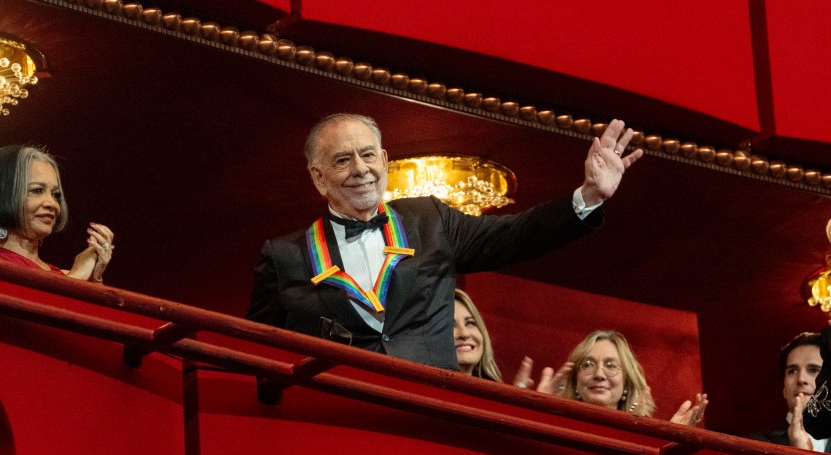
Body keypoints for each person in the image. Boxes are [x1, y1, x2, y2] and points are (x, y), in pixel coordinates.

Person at [247, 113, 643, 369]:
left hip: (432, 415)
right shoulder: (285, 257)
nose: (361, 169)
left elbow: (515, 235)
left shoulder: (429, 219)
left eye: (368, 155)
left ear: (385, 161)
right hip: (338, 420)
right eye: (342, 160)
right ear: (318, 177)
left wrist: (588, 195)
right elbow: (256, 355)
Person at [0, 145, 114, 281]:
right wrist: (75, 280)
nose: (51, 204)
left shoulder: (66, 274)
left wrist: (95, 278)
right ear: (4, 194)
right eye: (37, 190)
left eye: (55, 194)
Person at [518, 330, 707, 425]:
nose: (599, 375)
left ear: (626, 384)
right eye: (588, 365)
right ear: (575, 381)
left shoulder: (646, 440)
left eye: (611, 366)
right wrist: (537, 412)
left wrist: (668, 442)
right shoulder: (554, 427)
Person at [749, 332, 825, 451]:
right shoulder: (754, 445)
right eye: (792, 371)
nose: (801, 379)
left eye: (814, 370)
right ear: (784, 389)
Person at [453, 288, 502, 380]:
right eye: (450, 325)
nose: (464, 333)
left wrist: (518, 392)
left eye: (470, 323)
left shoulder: (491, 392)